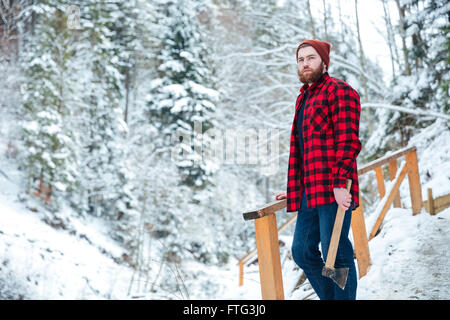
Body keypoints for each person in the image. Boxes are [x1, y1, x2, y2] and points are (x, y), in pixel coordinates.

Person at [275, 39, 362, 300]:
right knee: (301, 250)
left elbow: (348, 140)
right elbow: (303, 150)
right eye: (301, 59)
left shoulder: (340, 91)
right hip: (309, 191)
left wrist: (339, 183)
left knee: (336, 252)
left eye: (311, 58)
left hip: (334, 189)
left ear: (324, 62)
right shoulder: (303, 98)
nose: (305, 64)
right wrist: (293, 188)